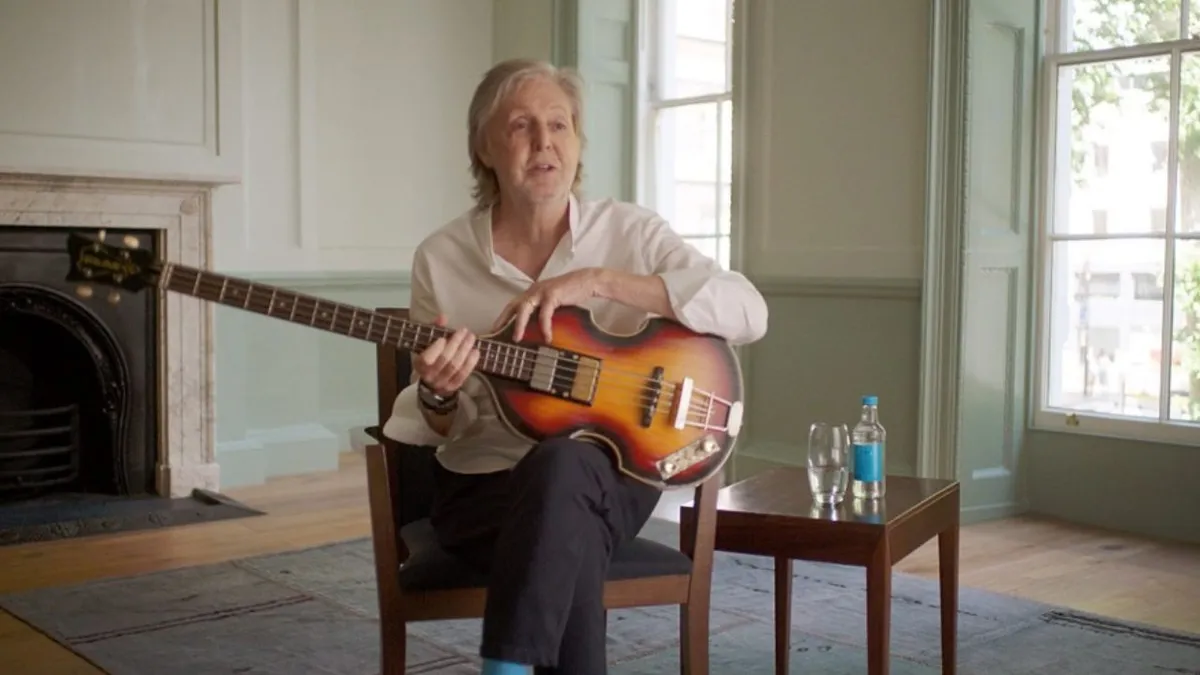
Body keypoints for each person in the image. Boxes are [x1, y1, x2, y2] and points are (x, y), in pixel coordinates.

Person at [382, 58, 768, 675]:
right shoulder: (441, 257)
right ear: (484, 147)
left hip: (616, 477)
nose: (544, 142)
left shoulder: (632, 233)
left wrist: (600, 281)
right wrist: (439, 394)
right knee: (569, 527)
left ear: (578, 141)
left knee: (565, 467)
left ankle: (504, 665)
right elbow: (441, 424)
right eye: (521, 126)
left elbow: (748, 310)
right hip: (485, 491)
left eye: (559, 124)